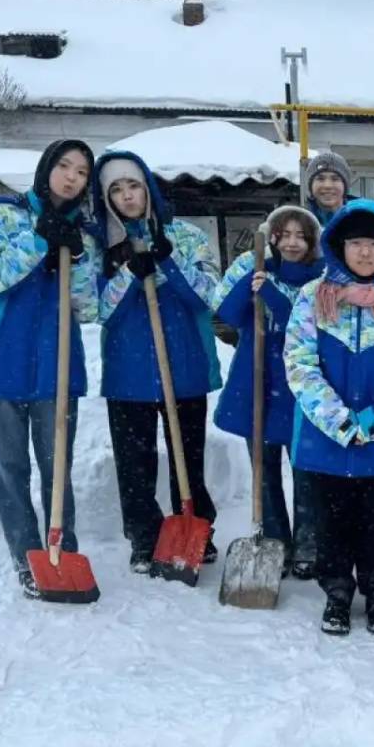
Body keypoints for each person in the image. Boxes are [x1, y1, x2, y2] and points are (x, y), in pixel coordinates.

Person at [0, 139, 98, 598]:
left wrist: (74, 258)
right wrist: (40, 239)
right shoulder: (4, 215)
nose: (71, 176)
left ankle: (62, 550)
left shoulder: (85, 233)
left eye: (81, 171)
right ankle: (26, 557)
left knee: (58, 466)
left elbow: (89, 307)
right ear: (46, 168)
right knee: (9, 467)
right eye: (64, 165)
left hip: (55, 364)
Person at [283, 199, 374, 636]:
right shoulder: (313, 297)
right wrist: (340, 422)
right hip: (325, 441)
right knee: (332, 523)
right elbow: (299, 363)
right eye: (355, 243)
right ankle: (338, 594)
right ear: (339, 246)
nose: (365, 253)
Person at [93, 152, 222, 574]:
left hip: (182, 365)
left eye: (133, 185)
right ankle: (145, 537)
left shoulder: (185, 236)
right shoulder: (102, 246)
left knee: (189, 457)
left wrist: (168, 260)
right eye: (116, 189)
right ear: (107, 198)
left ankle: (195, 525)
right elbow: (97, 309)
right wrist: (130, 272)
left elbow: (208, 294)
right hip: (128, 370)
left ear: (147, 187)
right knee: (135, 463)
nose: (127, 196)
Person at [212, 205, 325, 578]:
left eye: (301, 235)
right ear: (272, 237)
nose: (292, 243)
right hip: (257, 378)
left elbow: (309, 323)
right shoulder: (259, 270)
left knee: (306, 470)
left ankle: (308, 544)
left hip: (297, 383)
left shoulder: (319, 278)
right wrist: (251, 282)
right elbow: (226, 315)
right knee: (264, 469)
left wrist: (274, 296)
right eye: (284, 234)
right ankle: (276, 540)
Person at [305, 151, 356, 226]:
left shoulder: (360, 219)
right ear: (311, 185)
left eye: (335, 179)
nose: (327, 185)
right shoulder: (301, 220)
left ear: (345, 185)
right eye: (320, 179)